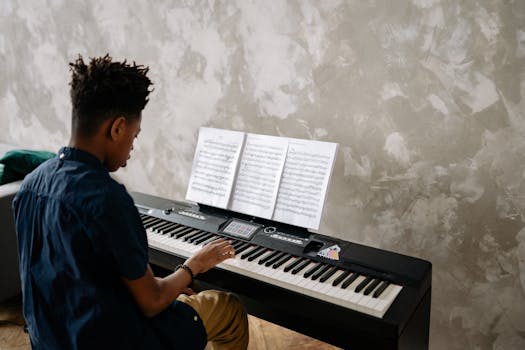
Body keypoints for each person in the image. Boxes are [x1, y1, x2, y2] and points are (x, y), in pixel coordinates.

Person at [12, 54, 249, 350]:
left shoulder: (31, 185)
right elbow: (152, 302)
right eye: (134, 137)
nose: (131, 150)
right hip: (117, 341)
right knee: (228, 308)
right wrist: (194, 265)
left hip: (50, 339)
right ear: (117, 128)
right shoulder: (106, 198)